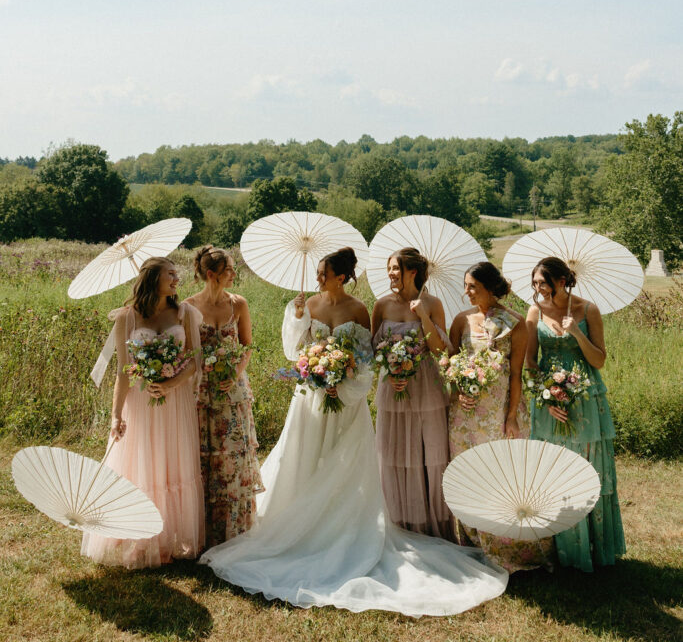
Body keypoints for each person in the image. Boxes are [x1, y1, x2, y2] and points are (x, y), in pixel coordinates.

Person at [200, 246, 508, 615]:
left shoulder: (361, 309)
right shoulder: (317, 303)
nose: (317, 280)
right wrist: (299, 323)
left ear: (341, 277)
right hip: (312, 395)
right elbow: (296, 349)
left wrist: (344, 379)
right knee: (307, 457)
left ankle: (383, 524)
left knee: (356, 462)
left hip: (349, 398)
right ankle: (304, 522)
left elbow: (364, 355)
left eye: (323, 273)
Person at [81, 256, 204, 568]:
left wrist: (171, 383)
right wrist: (116, 414)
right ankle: (142, 540)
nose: (177, 279)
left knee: (171, 464)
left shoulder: (185, 312)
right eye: (170, 275)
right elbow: (123, 370)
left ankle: (170, 539)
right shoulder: (127, 318)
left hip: (175, 401)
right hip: (140, 401)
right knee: (144, 465)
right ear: (153, 279)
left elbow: (195, 360)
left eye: (177, 274)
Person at [448, 261, 552, 572]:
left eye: (472, 287)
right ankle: (471, 542)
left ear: (491, 289)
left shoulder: (515, 323)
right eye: (465, 285)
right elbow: (450, 363)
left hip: (496, 413)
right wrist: (458, 391)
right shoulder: (460, 320)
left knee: (497, 476)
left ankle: (504, 547)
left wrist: (511, 417)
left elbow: (516, 375)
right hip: (463, 413)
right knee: (466, 472)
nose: (466, 291)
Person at [525, 256, 626, 571]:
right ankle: (556, 549)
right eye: (535, 283)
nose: (539, 289)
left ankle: (591, 547)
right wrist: (548, 397)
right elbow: (530, 362)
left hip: (585, 400)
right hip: (548, 402)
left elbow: (599, 360)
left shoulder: (588, 310)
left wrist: (578, 334)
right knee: (551, 469)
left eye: (544, 283)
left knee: (586, 466)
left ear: (561, 281)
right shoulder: (535, 312)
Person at [370, 247, 453, 540]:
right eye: (389, 268)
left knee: (429, 454)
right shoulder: (381, 305)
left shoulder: (433, 303)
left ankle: (435, 528)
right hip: (393, 388)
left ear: (412, 272)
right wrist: (391, 373)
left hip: (427, 389)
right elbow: (373, 349)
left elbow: (442, 351)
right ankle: (400, 523)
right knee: (394, 454)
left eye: (396, 268)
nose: (391, 274)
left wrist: (423, 317)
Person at [185, 245, 263, 548]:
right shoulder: (188, 308)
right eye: (229, 269)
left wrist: (233, 373)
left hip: (233, 391)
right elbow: (187, 351)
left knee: (233, 455)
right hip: (200, 392)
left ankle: (234, 528)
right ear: (211, 274)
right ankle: (202, 528)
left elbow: (247, 345)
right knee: (202, 457)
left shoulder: (238, 304)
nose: (233, 273)